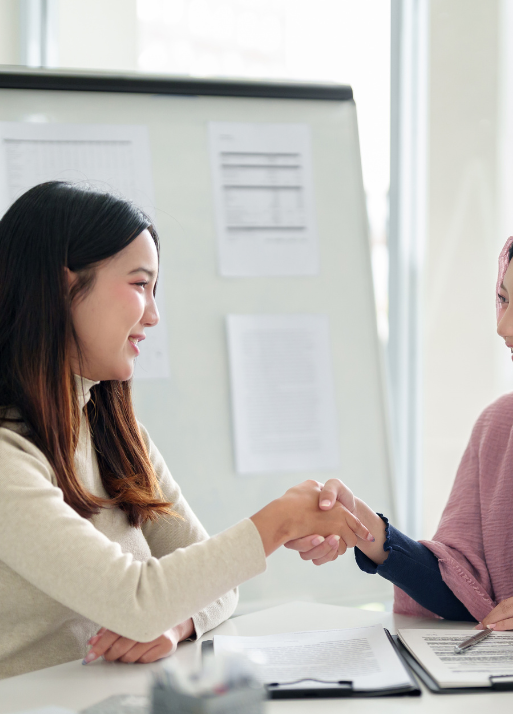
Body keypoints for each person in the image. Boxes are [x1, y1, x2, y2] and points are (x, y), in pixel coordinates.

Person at [0, 181, 374, 680]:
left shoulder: (113, 430)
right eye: (139, 285)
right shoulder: (8, 455)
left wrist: (176, 625)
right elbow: (136, 598)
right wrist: (281, 521)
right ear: (63, 285)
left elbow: (213, 584)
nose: (153, 316)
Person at [289, 212, 513, 641]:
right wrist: (369, 531)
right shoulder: (499, 427)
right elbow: (466, 596)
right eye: (502, 299)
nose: (503, 325)